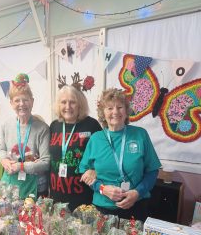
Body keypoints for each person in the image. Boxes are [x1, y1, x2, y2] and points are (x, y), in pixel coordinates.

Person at [79, 88, 161, 221]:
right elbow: (85, 174)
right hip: (103, 209)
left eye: (120, 107)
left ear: (126, 110)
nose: (115, 112)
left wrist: (137, 193)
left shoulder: (140, 135)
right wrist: (102, 189)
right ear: (103, 113)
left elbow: (152, 171)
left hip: (136, 206)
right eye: (110, 108)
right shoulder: (95, 139)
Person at [49, 74, 101, 212]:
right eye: (63, 102)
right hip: (56, 196)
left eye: (72, 102)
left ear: (80, 105)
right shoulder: (54, 126)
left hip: (83, 198)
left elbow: (103, 156)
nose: (68, 106)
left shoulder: (91, 125)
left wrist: (95, 170)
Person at [0, 73, 50, 200]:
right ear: (11, 103)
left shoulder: (42, 128)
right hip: (11, 184)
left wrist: (21, 166)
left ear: (32, 101)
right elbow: (2, 150)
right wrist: (3, 160)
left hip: (36, 187)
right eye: (17, 100)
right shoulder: (6, 125)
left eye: (25, 100)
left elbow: (46, 162)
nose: (21, 104)